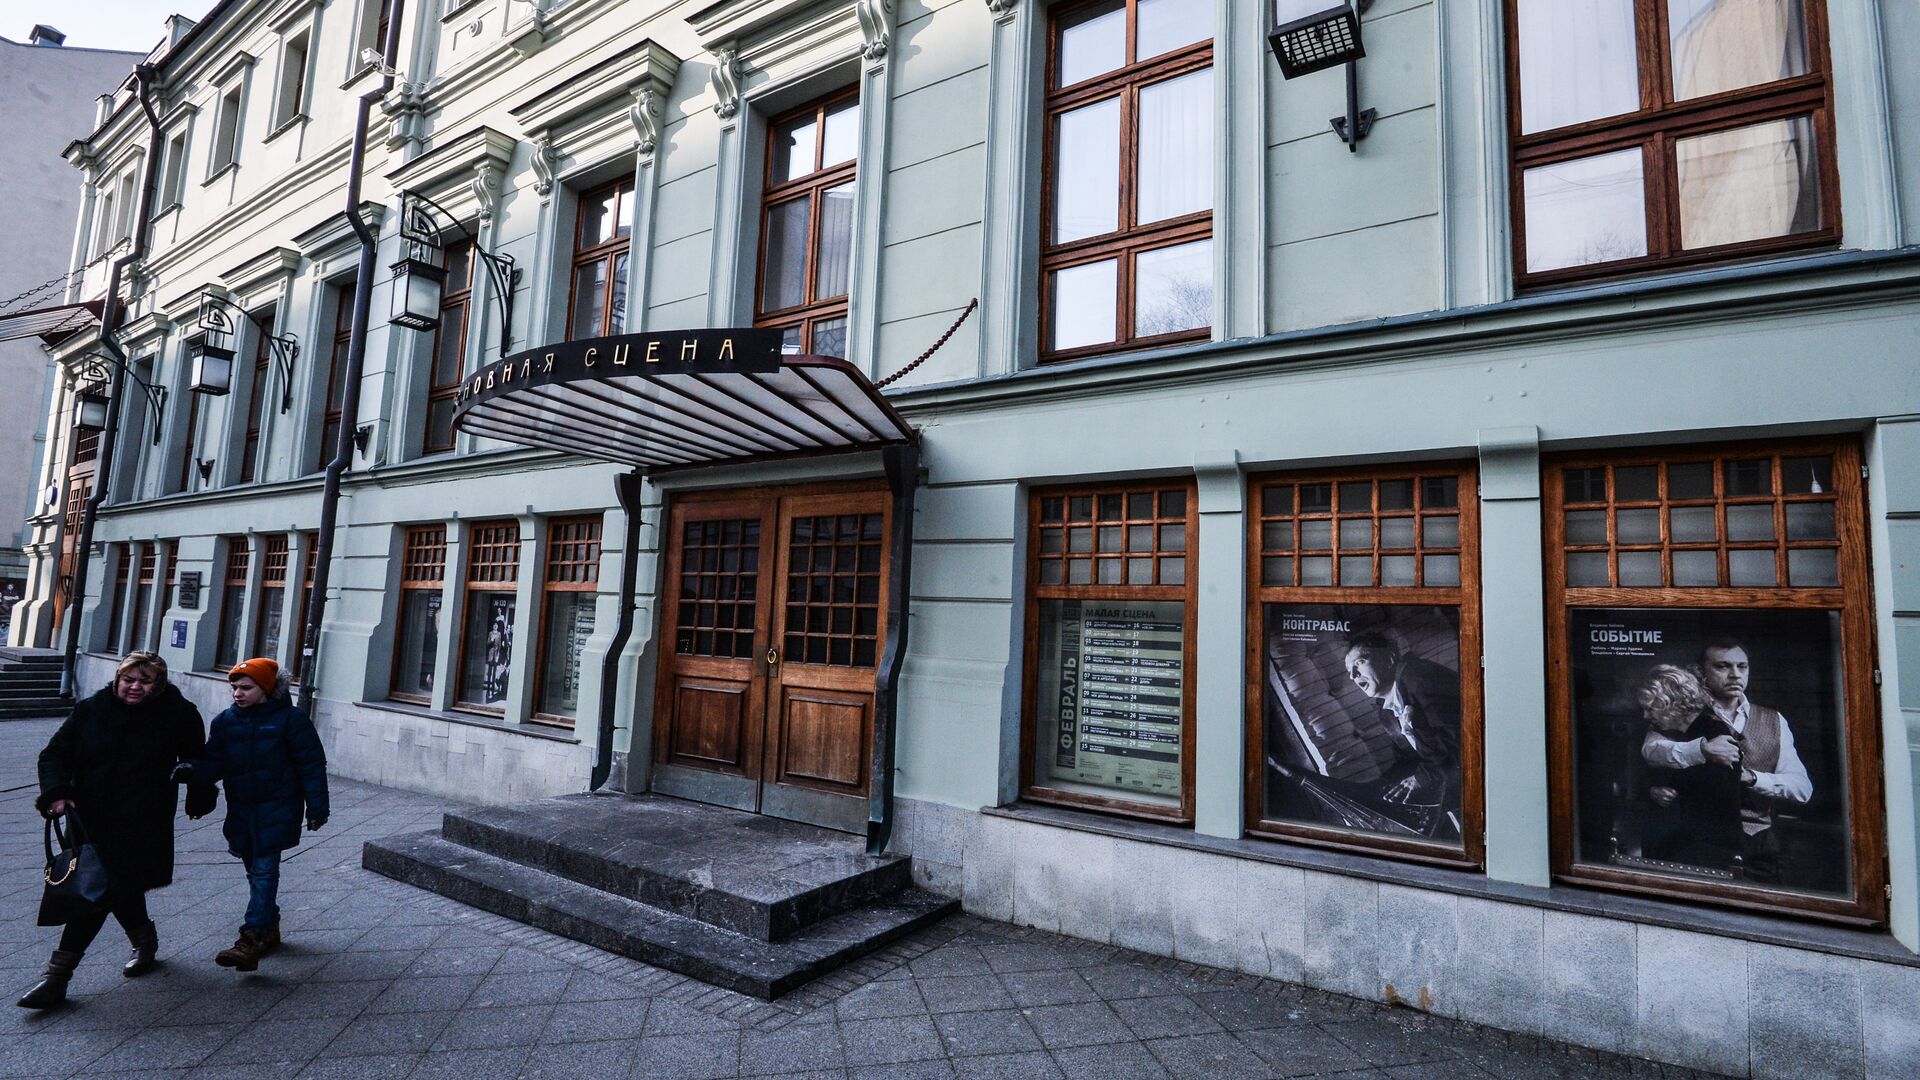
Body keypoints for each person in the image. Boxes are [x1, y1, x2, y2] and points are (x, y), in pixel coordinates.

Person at [18, 652, 215, 1010]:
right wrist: (58, 792)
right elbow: (54, 755)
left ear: (159, 685)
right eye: (129, 680)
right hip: (90, 818)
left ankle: (56, 977)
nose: (135, 687)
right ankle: (144, 941)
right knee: (113, 887)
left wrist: (197, 792)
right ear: (117, 679)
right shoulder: (93, 709)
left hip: (143, 819)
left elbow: (199, 758)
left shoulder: (177, 712)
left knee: (98, 892)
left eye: (145, 681)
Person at [175, 658, 328, 972]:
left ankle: (250, 938)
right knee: (253, 871)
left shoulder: (291, 720)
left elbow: (311, 766)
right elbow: (214, 762)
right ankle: (269, 926)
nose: (237, 693)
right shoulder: (225, 722)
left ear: (267, 689)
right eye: (234, 687)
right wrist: (193, 772)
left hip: (278, 808)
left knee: (263, 872)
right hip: (242, 812)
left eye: (246, 687)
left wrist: (317, 808)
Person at [1642, 639, 1812, 881]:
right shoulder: (1680, 712)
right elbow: (1652, 750)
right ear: (1701, 672)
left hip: (1759, 846)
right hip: (1699, 843)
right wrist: (1702, 749)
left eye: (1742, 667)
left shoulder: (1774, 720)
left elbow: (1802, 789)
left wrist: (1751, 778)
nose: (1735, 675)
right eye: (1722, 667)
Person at [1341, 632, 1463, 830]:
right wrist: (1375, 791)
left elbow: (1462, 739)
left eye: (1359, 663)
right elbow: (1407, 761)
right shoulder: (1386, 711)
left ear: (1388, 659)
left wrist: (1420, 778)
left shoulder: (1418, 676)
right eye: (1349, 672)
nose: (1354, 676)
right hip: (1448, 783)